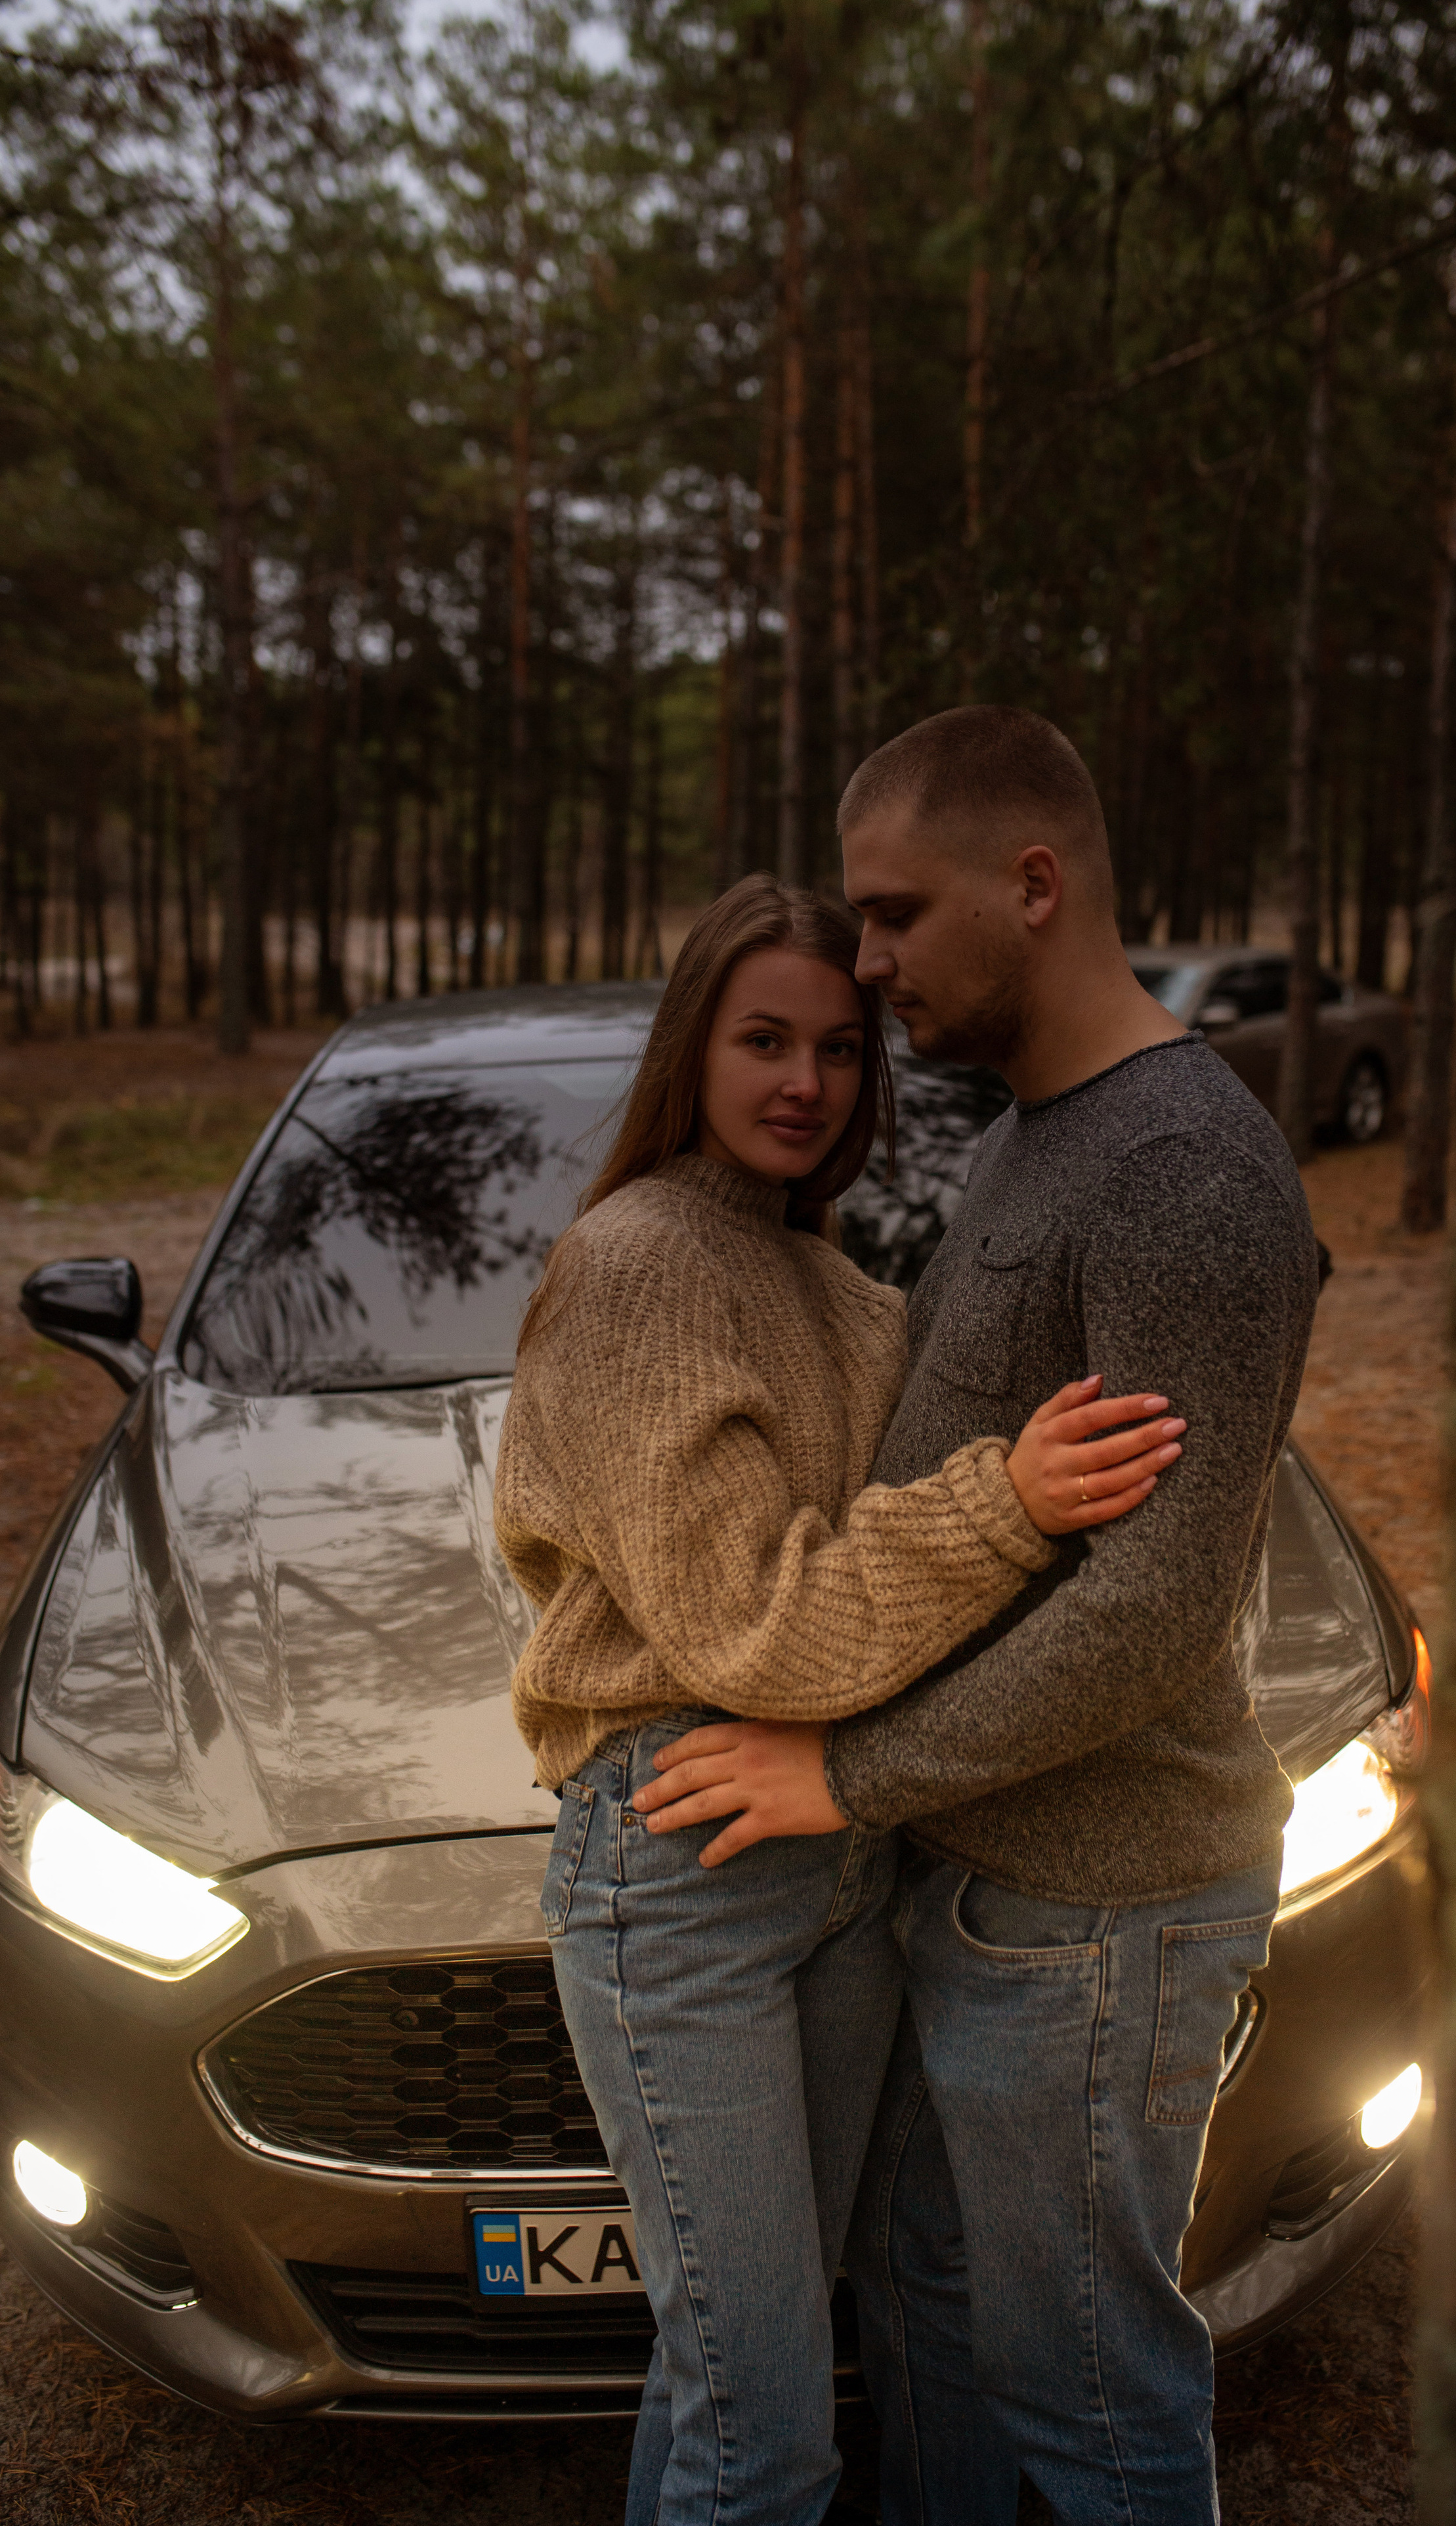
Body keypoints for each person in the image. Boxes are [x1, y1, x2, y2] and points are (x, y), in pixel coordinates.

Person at [633, 708, 1320, 2525]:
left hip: (1099, 1913)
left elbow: (1156, 1613)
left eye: (891, 915)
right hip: (994, 1898)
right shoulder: (1044, 1135)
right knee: (939, 2323)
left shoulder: (1178, 1167)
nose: (867, 967)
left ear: (1033, 887)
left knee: (1092, 2398)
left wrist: (844, 1772)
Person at [493, 872, 1188, 2526]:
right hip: (684, 1879)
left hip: (839, 1860)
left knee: (735, 2373)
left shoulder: (841, 1289)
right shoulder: (640, 1263)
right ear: (693, 1048)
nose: (804, 1079)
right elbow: (756, 1626)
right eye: (760, 1039)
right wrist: (1001, 1502)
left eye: (839, 1047)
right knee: (772, 2439)